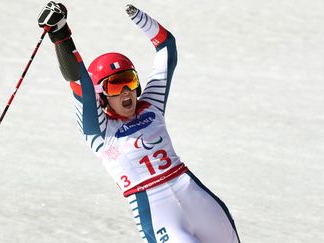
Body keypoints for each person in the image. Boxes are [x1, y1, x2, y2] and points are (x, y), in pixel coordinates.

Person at [38, 2, 240, 242]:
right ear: (101, 94)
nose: (126, 92)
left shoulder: (151, 106)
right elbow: (79, 81)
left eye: (130, 81)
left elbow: (167, 48)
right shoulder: (99, 131)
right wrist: (60, 33)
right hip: (158, 211)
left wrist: (140, 18)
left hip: (194, 196)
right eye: (115, 85)